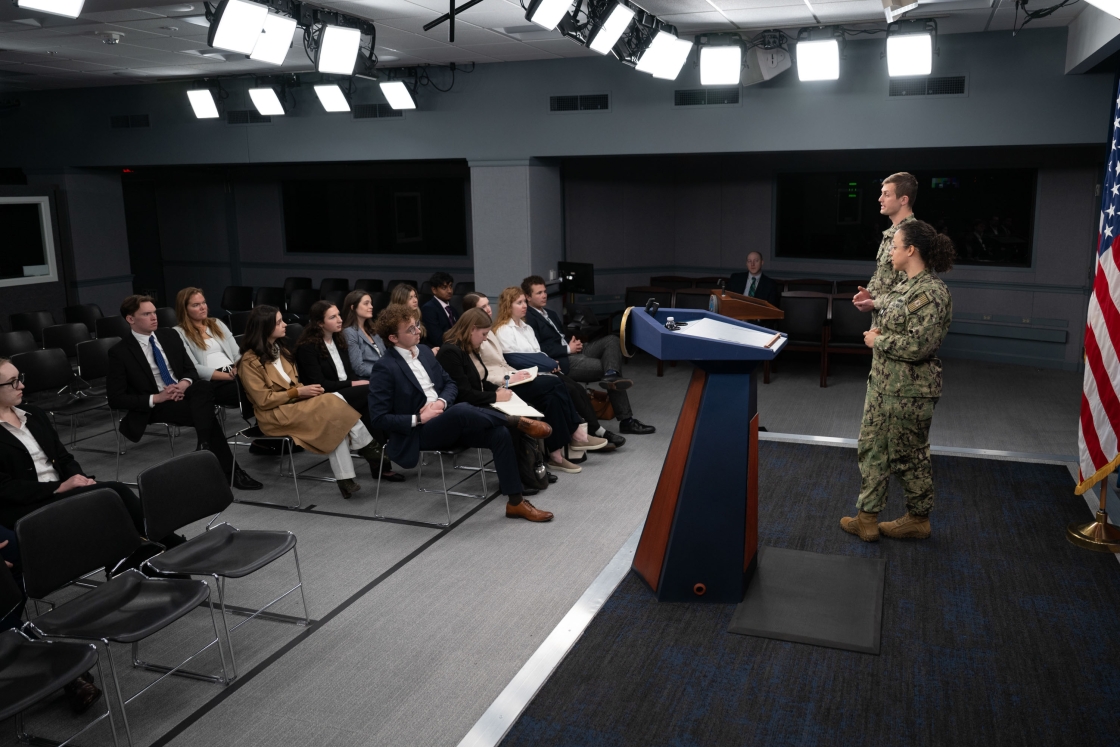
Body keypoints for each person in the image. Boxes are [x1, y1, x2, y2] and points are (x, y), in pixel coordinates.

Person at [368, 304, 555, 522]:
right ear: (393, 337)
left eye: (417, 325)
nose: (418, 331)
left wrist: (440, 402)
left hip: (447, 419)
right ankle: (515, 421)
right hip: (420, 432)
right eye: (410, 329)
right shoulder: (385, 368)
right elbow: (379, 418)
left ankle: (515, 503)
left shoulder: (426, 353)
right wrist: (420, 417)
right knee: (462, 409)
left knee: (499, 435)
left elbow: (450, 385)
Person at [841, 219, 954, 542]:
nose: (890, 250)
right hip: (882, 384)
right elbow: (896, 321)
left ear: (910, 250)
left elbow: (921, 345)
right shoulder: (902, 285)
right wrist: (879, 329)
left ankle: (918, 519)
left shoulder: (931, 292)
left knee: (908, 457)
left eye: (895, 245)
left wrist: (880, 341)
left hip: (909, 391)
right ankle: (867, 517)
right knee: (872, 449)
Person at [107, 295, 261, 490]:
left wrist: (183, 384)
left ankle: (206, 449)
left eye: (154, 312)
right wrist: (158, 397)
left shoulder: (169, 335)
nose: (154, 317)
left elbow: (190, 370)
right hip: (157, 404)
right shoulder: (120, 352)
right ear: (130, 319)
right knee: (206, 417)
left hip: (184, 392)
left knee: (203, 388)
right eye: (146, 314)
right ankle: (231, 470)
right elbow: (115, 399)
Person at [239, 306, 386, 499]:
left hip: (295, 406)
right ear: (264, 328)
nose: (285, 325)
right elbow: (264, 401)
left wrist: (304, 392)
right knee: (332, 405)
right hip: (273, 415)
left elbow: (295, 383)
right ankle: (367, 446)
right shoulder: (249, 362)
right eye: (278, 322)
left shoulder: (281, 350)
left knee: (333, 418)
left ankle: (346, 478)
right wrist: (299, 392)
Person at [436, 308, 607, 474]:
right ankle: (568, 439)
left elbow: (482, 379)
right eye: (483, 334)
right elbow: (465, 392)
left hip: (495, 387)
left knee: (552, 396)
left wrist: (501, 387)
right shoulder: (452, 351)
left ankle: (551, 456)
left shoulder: (468, 347)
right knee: (553, 386)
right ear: (472, 329)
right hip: (473, 404)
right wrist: (497, 392)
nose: (485, 338)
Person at [463, 292, 625, 451]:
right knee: (564, 389)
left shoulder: (519, 328)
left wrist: (547, 362)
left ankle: (584, 434)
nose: (488, 309)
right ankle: (581, 434)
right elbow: (511, 360)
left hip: (525, 373)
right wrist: (518, 375)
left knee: (575, 388)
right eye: (519, 302)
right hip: (512, 380)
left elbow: (528, 355)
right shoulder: (495, 332)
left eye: (488, 305)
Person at [517, 280, 655, 436]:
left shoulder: (551, 313)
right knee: (610, 369)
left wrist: (572, 342)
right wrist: (567, 348)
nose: (544, 295)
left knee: (612, 340)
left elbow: (559, 336)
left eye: (544, 291)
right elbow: (538, 349)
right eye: (539, 293)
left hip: (573, 350)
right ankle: (626, 420)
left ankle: (611, 374)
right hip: (563, 360)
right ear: (528, 297)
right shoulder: (528, 318)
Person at [296, 300, 403, 482]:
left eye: (338, 314)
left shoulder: (339, 339)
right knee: (371, 393)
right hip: (324, 398)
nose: (339, 320)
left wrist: (355, 383)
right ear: (320, 323)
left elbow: (350, 373)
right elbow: (319, 384)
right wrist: (353, 384)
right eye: (333, 317)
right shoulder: (307, 347)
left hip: (346, 393)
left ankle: (381, 461)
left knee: (371, 405)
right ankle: (383, 458)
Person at [853, 172, 918, 325]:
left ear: (903, 200)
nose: (880, 199)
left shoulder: (913, 234)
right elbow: (883, 273)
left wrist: (875, 303)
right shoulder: (892, 232)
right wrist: (869, 293)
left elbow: (911, 288)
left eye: (886, 195)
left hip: (899, 325)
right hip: (882, 320)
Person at [341, 290, 388, 379]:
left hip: (384, 376)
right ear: (353, 307)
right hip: (368, 379)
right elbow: (358, 367)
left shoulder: (373, 330)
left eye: (371, 303)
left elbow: (385, 356)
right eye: (366, 304)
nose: (371, 307)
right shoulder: (349, 332)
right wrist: (384, 372)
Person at [420, 271, 458, 348]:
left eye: (450, 286)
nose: (449, 291)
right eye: (444, 288)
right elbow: (437, 339)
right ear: (434, 290)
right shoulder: (429, 309)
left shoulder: (453, 310)